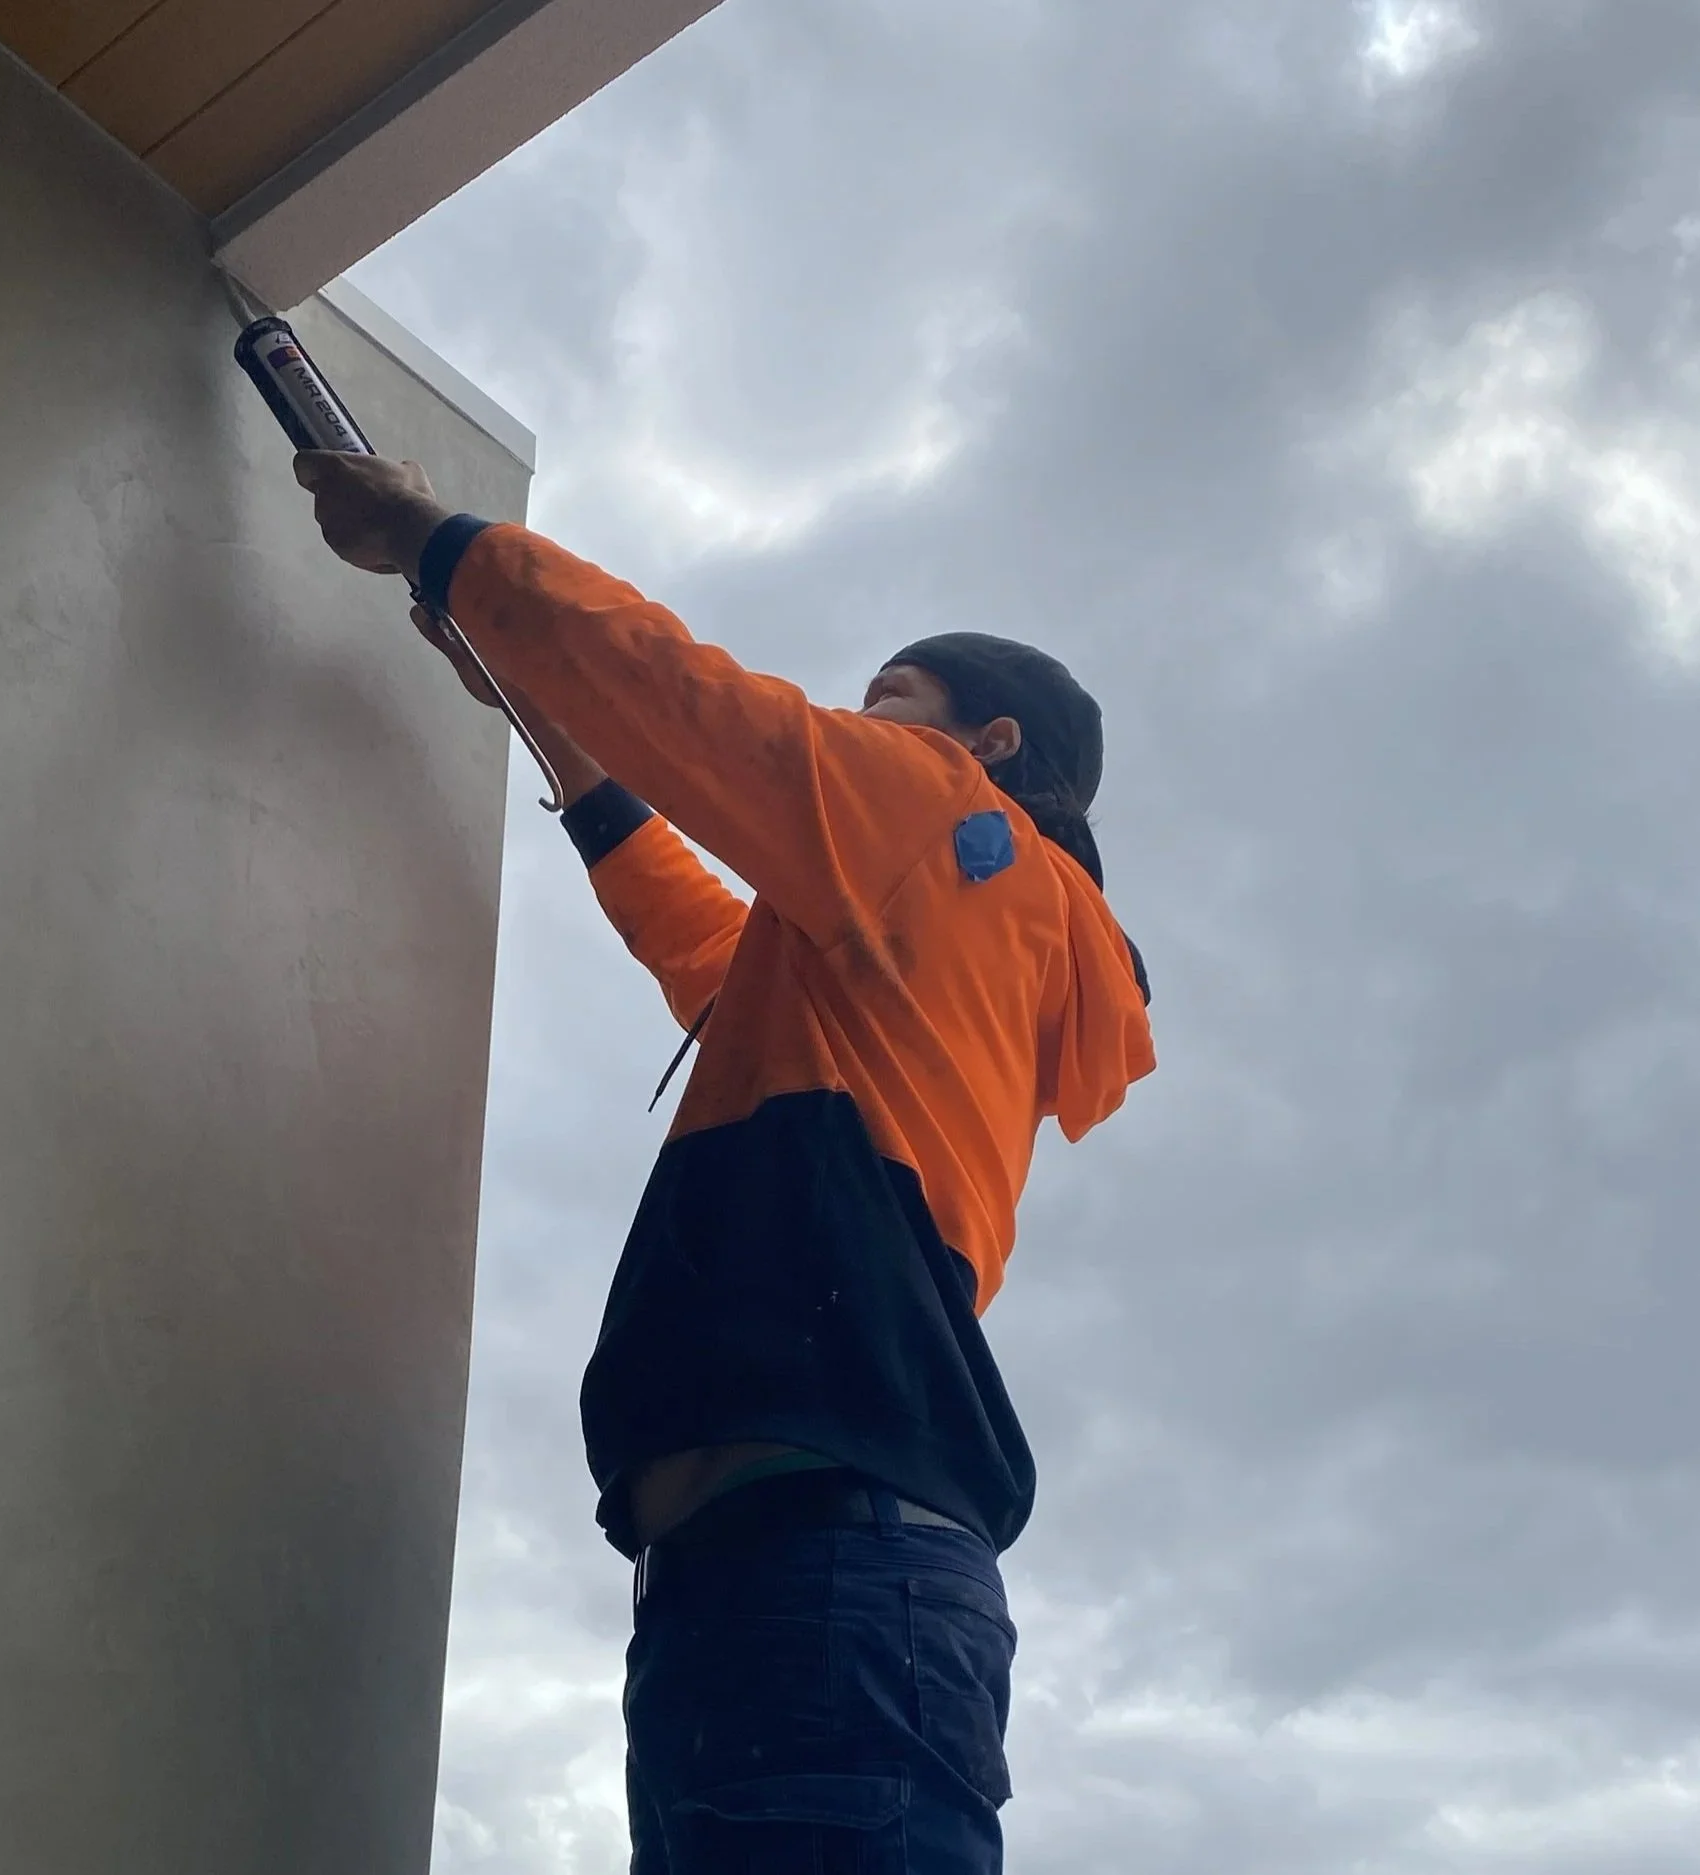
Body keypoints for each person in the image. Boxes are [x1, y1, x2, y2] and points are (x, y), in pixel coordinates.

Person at [294, 450, 1156, 1874]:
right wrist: (555, 731)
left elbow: (699, 709)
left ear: (989, 742)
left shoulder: (955, 821)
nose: (856, 721)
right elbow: (705, 942)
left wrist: (441, 544)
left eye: (888, 695)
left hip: (826, 1581)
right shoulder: (928, 943)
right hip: (777, 1592)